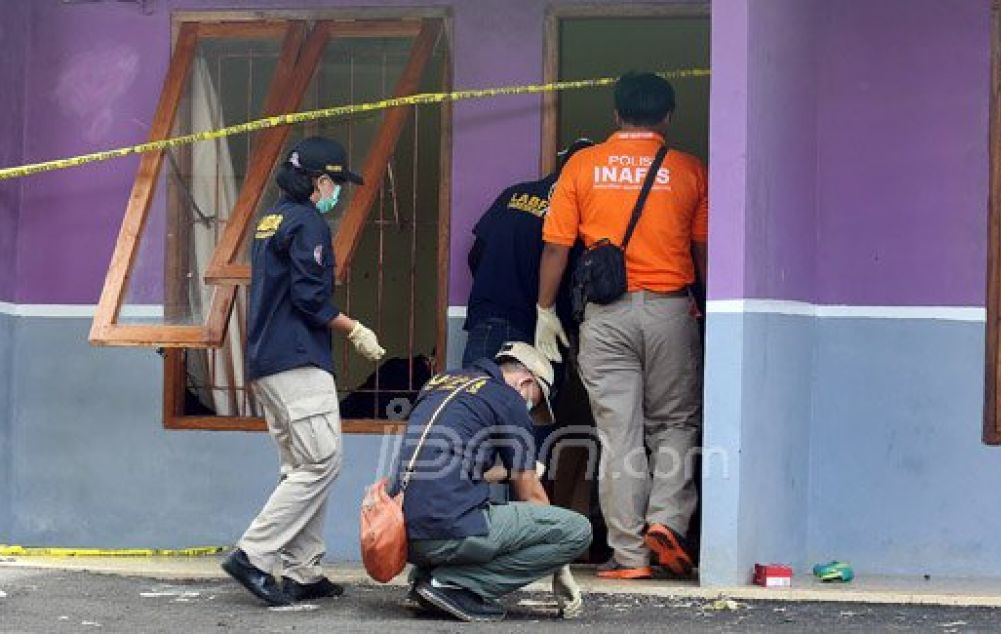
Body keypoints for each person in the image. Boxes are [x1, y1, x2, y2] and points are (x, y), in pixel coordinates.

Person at [536, 72, 708, 580]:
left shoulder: (582, 167)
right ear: (669, 117)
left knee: (619, 436)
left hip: (605, 317)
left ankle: (630, 554)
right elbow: (702, 249)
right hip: (671, 311)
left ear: (615, 115)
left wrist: (545, 310)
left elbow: (556, 247)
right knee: (674, 424)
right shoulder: (689, 170)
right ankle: (668, 521)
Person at [221, 136, 387, 606]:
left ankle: (303, 570)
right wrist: (355, 328)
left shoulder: (271, 220)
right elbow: (311, 299)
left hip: (268, 362)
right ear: (319, 181)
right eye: (336, 183)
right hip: (297, 359)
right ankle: (253, 556)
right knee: (320, 463)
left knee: (302, 466)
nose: (339, 192)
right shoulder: (308, 223)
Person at [399, 341, 591, 622]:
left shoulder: (440, 383)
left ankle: (430, 580)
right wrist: (561, 567)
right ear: (525, 382)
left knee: (484, 505)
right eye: (535, 401)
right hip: (448, 531)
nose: (528, 410)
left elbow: (451, 467)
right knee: (577, 530)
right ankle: (453, 585)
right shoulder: (508, 398)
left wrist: (510, 471)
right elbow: (532, 498)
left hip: (408, 536)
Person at [462, 138, 595, 367]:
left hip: (488, 317)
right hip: (540, 329)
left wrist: (498, 293)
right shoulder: (575, 212)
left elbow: (475, 255)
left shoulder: (513, 194)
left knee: (480, 397)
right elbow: (576, 280)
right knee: (531, 401)